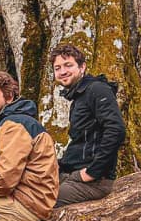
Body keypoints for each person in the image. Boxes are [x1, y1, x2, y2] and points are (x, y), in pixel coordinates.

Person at [0, 71, 58, 221]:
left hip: (27, 204)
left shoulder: (14, 125)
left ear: (9, 97)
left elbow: (5, 180)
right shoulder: (18, 121)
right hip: (31, 199)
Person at [51, 44, 127, 207]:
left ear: (82, 67)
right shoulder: (79, 96)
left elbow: (116, 129)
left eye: (68, 65)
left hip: (93, 181)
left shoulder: (97, 89)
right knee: (28, 192)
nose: (62, 71)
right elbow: (84, 140)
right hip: (72, 173)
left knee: (43, 203)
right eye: (57, 68)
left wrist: (93, 171)